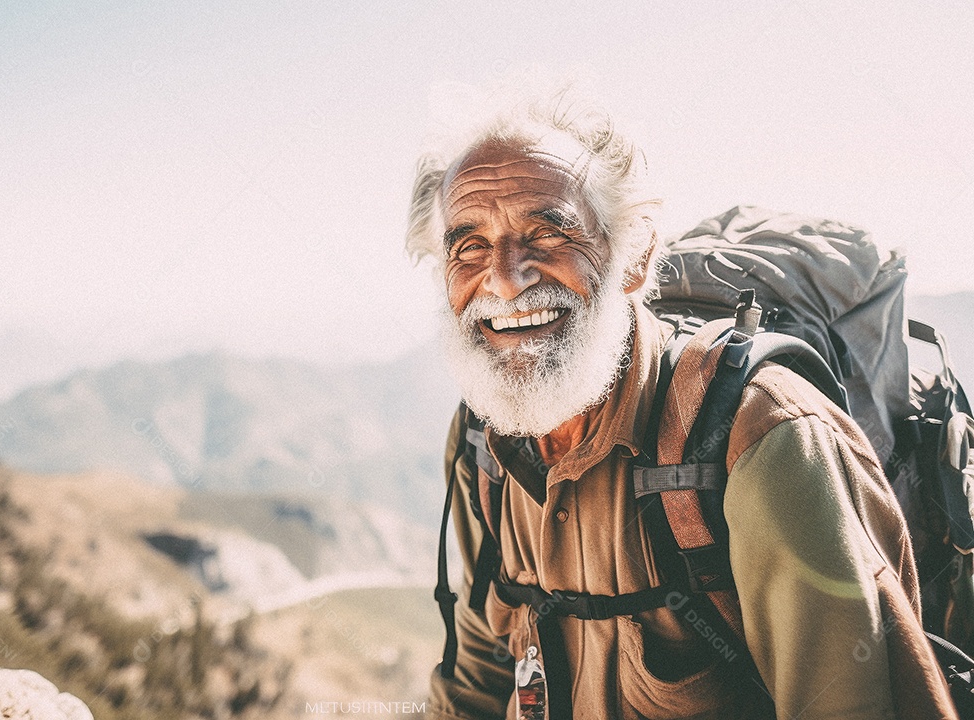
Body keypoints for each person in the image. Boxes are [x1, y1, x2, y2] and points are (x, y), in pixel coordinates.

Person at [405, 88, 955, 719]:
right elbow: (480, 672)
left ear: (634, 257)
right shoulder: (484, 438)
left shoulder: (764, 440)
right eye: (469, 244)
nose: (504, 276)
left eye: (549, 232)